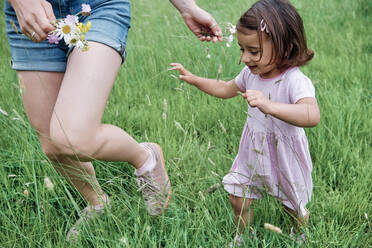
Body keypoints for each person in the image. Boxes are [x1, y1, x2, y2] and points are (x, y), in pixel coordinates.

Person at [4, 0, 222, 241]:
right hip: (30, 13)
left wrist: (186, 6)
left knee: (71, 136)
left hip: (96, 7)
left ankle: (144, 157)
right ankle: (98, 204)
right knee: (53, 147)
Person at [170, 0, 320, 245]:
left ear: (285, 47)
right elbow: (225, 88)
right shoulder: (251, 74)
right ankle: (243, 236)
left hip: (286, 153)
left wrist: (269, 105)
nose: (245, 58)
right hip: (253, 150)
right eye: (242, 49)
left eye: (254, 51)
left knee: (291, 204)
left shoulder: (294, 80)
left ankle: (299, 230)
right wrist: (195, 80)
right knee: (238, 196)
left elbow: (312, 115)